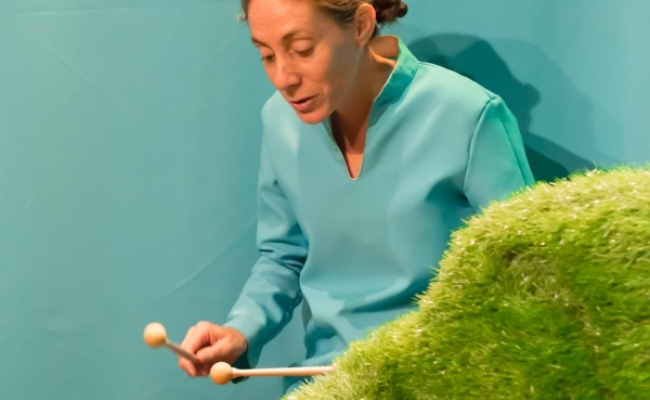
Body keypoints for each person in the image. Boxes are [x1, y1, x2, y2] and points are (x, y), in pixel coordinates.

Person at [177, 0, 535, 393]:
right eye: (267, 55)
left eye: (302, 50)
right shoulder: (279, 120)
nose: (283, 78)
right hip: (327, 380)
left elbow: (524, 273)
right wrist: (240, 331)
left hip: (442, 378)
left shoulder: (467, 114)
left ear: (362, 24)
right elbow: (283, 257)